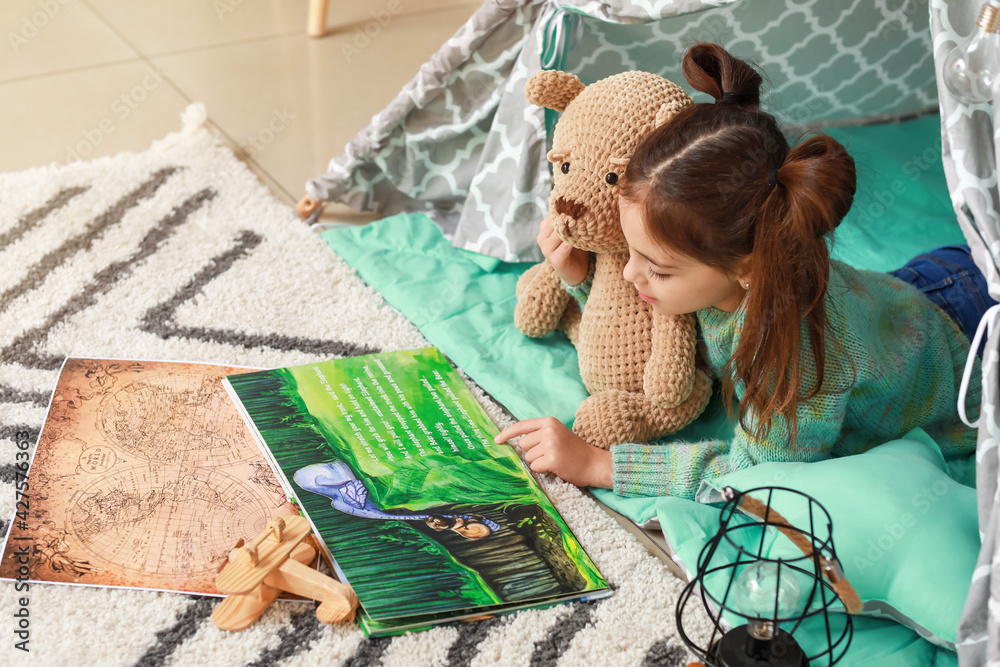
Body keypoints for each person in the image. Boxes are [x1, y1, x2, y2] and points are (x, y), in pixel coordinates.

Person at [495, 42, 992, 499]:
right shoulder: (726, 258)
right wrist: (579, 279)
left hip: (971, 329)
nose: (630, 276)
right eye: (631, 251)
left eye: (659, 270)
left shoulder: (796, 370)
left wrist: (600, 465)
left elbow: (755, 473)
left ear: (746, 267)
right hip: (915, 290)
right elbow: (629, 326)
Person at [294, 460, 499, 539]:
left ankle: (464, 520)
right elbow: (351, 483)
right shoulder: (344, 497)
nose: (334, 464)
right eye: (330, 466)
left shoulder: (343, 496)